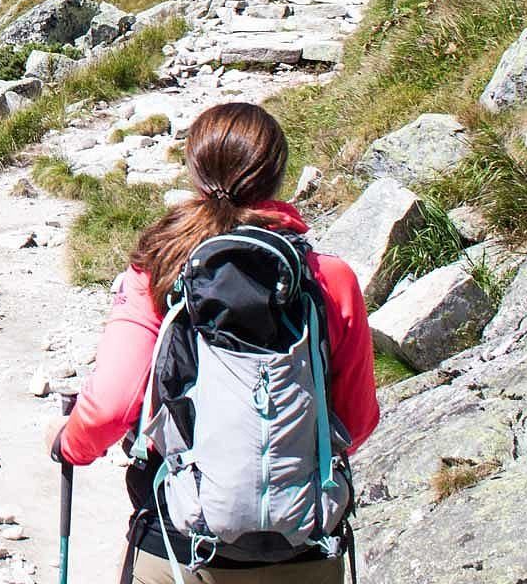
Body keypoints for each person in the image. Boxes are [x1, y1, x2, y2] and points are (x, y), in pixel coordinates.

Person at [46, 103, 379, 583]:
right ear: (277, 175)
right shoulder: (330, 280)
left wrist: (68, 445)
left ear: (196, 173)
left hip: (180, 546)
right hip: (305, 549)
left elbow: (111, 407)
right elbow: (357, 422)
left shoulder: (160, 271)